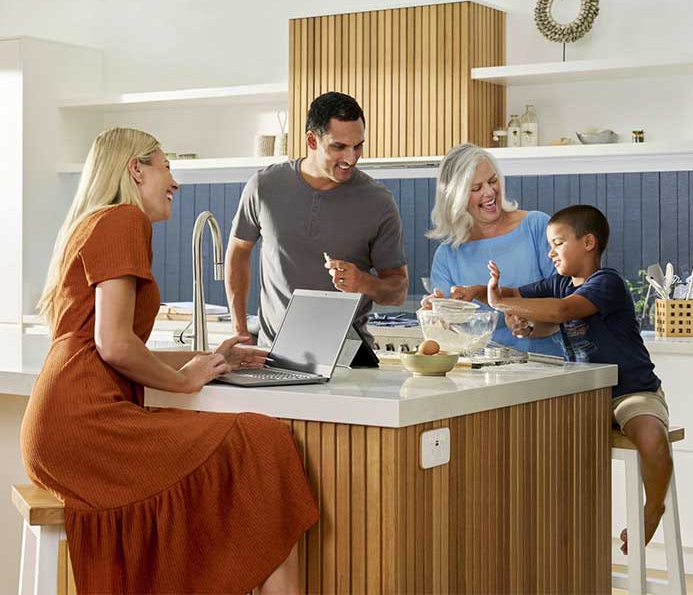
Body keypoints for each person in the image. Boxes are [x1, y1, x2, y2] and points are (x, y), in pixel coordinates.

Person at [20, 128, 318, 594]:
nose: (174, 181)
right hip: (84, 426)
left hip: (56, 427)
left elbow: (106, 347)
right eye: (165, 166)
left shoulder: (91, 221)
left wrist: (210, 359)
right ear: (135, 169)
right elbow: (114, 346)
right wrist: (184, 382)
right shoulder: (123, 220)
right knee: (263, 441)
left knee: (257, 449)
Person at [482, 204, 672, 555]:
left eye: (557, 243)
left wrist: (502, 305)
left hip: (631, 391)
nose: (550, 252)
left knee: (651, 436)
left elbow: (562, 311)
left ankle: (652, 508)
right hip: (586, 394)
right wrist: (503, 308)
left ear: (588, 242)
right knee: (544, 440)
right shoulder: (557, 283)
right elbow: (533, 312)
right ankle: (559, 533)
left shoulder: (606, 283)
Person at [226, 91, 408, 348]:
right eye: (339, 147)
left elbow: (398, 290)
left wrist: (364, 282)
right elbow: (238, 253)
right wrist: (240, 330)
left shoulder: (378, 201)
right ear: (312, 140)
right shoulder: (264, 187)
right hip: (274, 354)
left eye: (358, 146)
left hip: (349, 360)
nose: (351, 158)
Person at [424, 142, 563, 356]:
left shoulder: (536, 227)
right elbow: (448, 334)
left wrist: (530, 326)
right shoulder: (448, 254)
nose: (490, 192)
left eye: (492, 180)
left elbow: (567, 305)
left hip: (548, 367)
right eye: (477, 188)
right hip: (480, 375)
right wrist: (434, 316)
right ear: (456, 197)